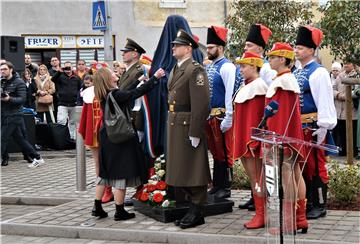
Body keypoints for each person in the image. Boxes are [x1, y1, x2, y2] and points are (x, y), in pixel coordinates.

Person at [91, 67, 165, 221]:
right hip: (120, 138)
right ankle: (119, 211)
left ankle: (97, 207)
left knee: (105, 174)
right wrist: (155, 79)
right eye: (112, 73)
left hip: (107, 137)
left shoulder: (106, 94)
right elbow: (132, 95)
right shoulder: (116, 94)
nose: (115, 73)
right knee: (120, 174)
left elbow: (125, 93)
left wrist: (138, 81)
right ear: (107, 79)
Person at [165, 30, 211, 229]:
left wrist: (195, 131)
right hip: (175, 122)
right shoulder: (177, 68)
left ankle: (197, 209)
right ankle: (191, 206)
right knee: (179, 166)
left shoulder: (195, 70)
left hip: (187, 123)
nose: (173, 47)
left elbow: (201, 104)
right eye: (173, 45)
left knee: (193, 166)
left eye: (177, 45)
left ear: (188, 48)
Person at [293, 26, 337, 220]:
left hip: (313, 127)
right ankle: (308, 202)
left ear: (311, 50)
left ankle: (319, 204)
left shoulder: (318, 72)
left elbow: (325, 101)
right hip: (298, 127)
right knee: (303, 165)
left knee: (316, 166)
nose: (296, 50)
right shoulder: (296, 71)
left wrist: (323, 127)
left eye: (301, 47)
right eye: (296, 47)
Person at [266, 42, 308, 233]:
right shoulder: (285, 79)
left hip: (283, 136)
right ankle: (300, 219)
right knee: (295, 173)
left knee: (287, 176)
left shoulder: (283, 81)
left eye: (272, 57)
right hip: (288, 135)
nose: (269, 60)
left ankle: (289, 222)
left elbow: (281, 115)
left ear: (282, 59)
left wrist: (278, 140)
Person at [237, 23, 275, 211]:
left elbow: (266, 100)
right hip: (246, 126)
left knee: (259, 171)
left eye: (249, 45)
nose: (245, 48)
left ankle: (262, 202)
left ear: (260, 48)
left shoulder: (266, 70)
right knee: (253, 172)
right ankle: (256, 199)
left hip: (257, 127)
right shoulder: (247, 70)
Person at [232, 52, 268, 229]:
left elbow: (259, 119)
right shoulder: (248, 85)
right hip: (244, 139)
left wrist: (255, 141)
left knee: (257, 179)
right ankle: (260, 213)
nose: (241, 70)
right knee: (253, 178)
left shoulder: (259, 87)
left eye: (244, 66)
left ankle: (262, 215)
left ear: (254, 66)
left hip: (252, 142)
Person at [204, 26, 236, 199]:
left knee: (225, 152)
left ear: (220, 48)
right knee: (216, 153)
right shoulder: (210, 67)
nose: (208, 50)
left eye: (211, 47)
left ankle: (226, 186)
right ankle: (217, 185)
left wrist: (229, 117)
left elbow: (230, 93)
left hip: (222, 115)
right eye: (208, 47)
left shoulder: (227, 67)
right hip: (211, 116)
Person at [1, 61, 44, 167]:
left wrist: (8, 99)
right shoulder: (2, 82)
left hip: (14, 115)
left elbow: (22, 99)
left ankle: (37, 158)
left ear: (11, 70)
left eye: (5, 69)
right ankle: (37, 157)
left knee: (2, 138)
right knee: (20, 139)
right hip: (4, 114)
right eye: (1, 69)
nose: (2, 71)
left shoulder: (19, 82)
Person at [51, 61, 83, 140]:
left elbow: (80, 88)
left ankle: (72, 138)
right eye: (66, 67)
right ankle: (61, 138)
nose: (68, 69)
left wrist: (78, 100)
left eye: (69, 67)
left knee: (73, 122)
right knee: (61, 121)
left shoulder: (76, 78)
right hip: (62, 103)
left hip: (74, 104)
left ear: (72, 68)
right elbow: (53, 79)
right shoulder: (60, 76)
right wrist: (59, 72)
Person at [333, 61, 358, 156]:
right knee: (341, 130)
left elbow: (356, 92)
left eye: (348, 63)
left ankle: (353, 151)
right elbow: (333, 88)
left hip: (351, 109)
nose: (346, 65)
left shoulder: (356, 75)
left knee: (352, 131)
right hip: (339, 108)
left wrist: (346, 96)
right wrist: (338, 95)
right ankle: (343, 149)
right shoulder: (340, 76)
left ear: (353, 64)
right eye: (344, 63)